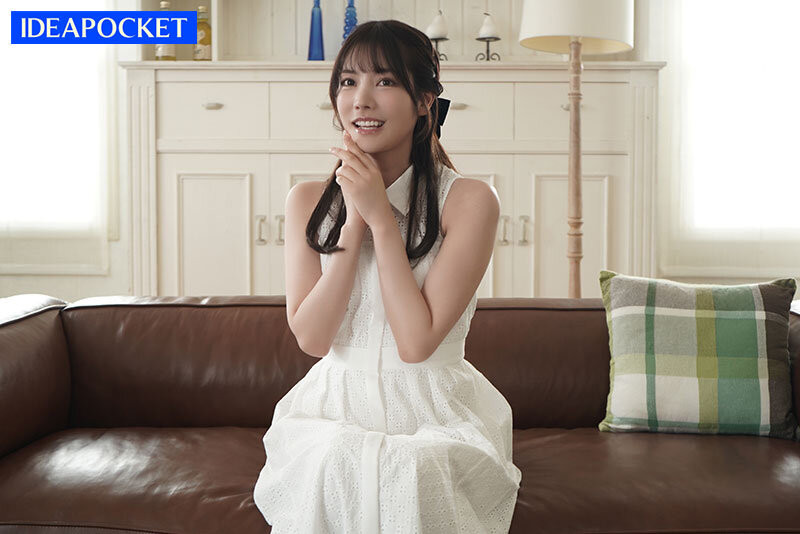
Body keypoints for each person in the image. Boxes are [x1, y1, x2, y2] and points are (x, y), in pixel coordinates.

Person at [253, 19, 522, 533]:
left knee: (415, 471)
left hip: (436, 411)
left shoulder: (469, 200)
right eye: (348, 81)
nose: (361, 100)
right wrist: (354, 217)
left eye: (385, 81)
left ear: (424, 100)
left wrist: (381, 217)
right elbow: (312, 339)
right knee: (334, 463)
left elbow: (416, 343)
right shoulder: (306, 201)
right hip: (332, 408)